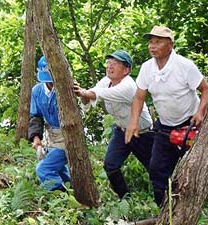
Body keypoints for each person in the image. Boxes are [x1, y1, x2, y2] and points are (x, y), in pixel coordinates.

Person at [125, 25, 208, 206]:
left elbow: (205, 88)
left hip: (190, 125)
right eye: (151, 42)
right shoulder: (147, 68)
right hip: (164, 127)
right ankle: (164, 211)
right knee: (157, 170)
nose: (152, 46)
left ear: (170, 44)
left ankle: (195, 207)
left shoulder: (184, 66)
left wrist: (200, 112)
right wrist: (133, 123)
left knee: (193, 171)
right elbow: (139, 97)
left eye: (158, 42)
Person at [73, 50, 154, 199]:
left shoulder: (128, 86)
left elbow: (99, 94)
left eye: (115, 64)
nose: (110, 67)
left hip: (142, 133)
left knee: (155, 170)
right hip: (121, 131)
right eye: (109, 63)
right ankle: (125, 198)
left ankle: (165, 200)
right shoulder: (106, 81)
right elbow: (92, 94)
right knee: (110, 165)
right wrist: (82, 95)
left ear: (126, 70)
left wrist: (84, 93)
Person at [28, 55, 71, 192]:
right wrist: (36, 138)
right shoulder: (37, 91)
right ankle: (72, 191)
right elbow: (36, 116)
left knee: (44, 169)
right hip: (51, 136)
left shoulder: (68, 90)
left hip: (68, 137)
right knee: (60, 169)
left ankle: (59, 195)